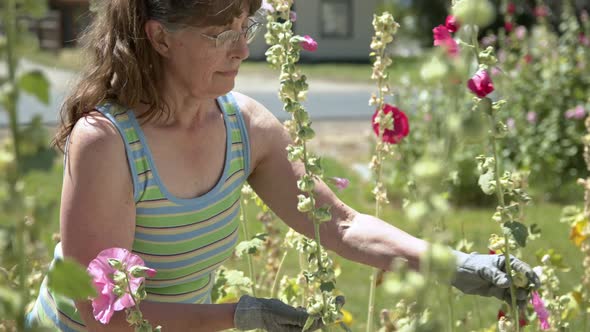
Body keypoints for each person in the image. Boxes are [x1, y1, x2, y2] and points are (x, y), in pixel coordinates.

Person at [25, 0, 539, 331]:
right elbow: (98, 311)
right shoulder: (107, 142)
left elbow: (340, 224)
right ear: (159, 37)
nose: (243, 48)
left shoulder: (245, 126)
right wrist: (238, 316)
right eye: (218, 34)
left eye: (243, 26)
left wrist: (453, 265)